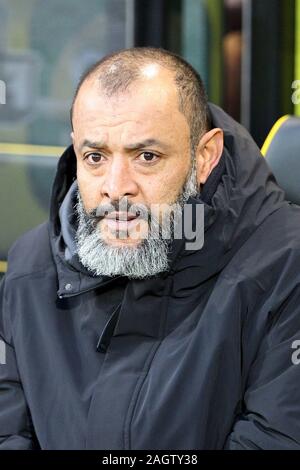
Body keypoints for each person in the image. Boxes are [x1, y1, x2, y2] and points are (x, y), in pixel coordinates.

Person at [1, 47, 300, 450]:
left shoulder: (286, 265)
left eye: (146, 156)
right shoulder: (29, 266)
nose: (115, 186)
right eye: (95, 157)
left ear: (205, 156)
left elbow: (276, 440)